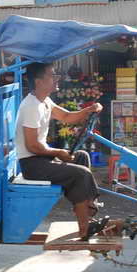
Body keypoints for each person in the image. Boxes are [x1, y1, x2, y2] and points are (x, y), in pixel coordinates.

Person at [15, 62, 104, 240]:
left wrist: (90, 109)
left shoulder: (44, 101)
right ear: (39, 81)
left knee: (81, 157)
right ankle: (85, 228)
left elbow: (66, 117)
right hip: (33, 164)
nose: (57, 78)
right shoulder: (32, 106)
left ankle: (87, 211)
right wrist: (58, 152)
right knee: (81, 174)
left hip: (40, 158)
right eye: (52, 75)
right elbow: (32, 146)